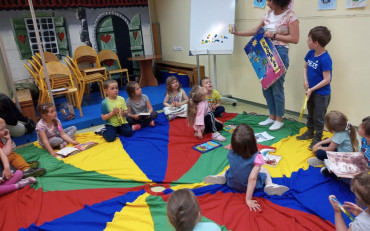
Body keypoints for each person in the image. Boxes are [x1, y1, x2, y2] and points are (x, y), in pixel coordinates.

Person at [232, 0, 299, 131]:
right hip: (264, 51)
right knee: (266, 86)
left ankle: (279, 119)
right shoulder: (268, 14)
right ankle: (272, 116)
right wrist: (238, 33)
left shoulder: (290, 15)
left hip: (279, 53)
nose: (267, 3)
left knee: (277, 88)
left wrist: (275, 35)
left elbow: (295, 38)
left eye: (269, 0)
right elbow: (256, 30)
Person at [204, 124, 289, 211]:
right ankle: (269, 184)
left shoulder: (232, 151)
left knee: (230, 168)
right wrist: (248, 199)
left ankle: (222, 176)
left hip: (231, 181)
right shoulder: (256, 157)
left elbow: (235, 147)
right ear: (253, 141)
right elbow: (252, 178)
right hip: (245, 186)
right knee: (264, 170)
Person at [297, 26, 333, 150]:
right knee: (310, 113)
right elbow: (305, 67)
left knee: (318, 117)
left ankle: (318, 137)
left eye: (309, 40)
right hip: (311, 91)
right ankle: (309, 132)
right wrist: (306, 81)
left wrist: (312, 89)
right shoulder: (311, 53)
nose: (307, 42)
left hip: (321, 95)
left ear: (316, 43)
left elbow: (327, 79)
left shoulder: (325, 59)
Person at [309, 111, 358, 177]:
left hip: (343, 158)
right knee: (326, 140)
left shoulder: (340, 134)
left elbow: (330, 148)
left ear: (331, 128)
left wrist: (317, 147)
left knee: (319, 153)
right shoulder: (347, 126)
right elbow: (334, 138)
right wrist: (319, 143)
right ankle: (328, 162)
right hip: (348, 154)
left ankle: (328, 163)